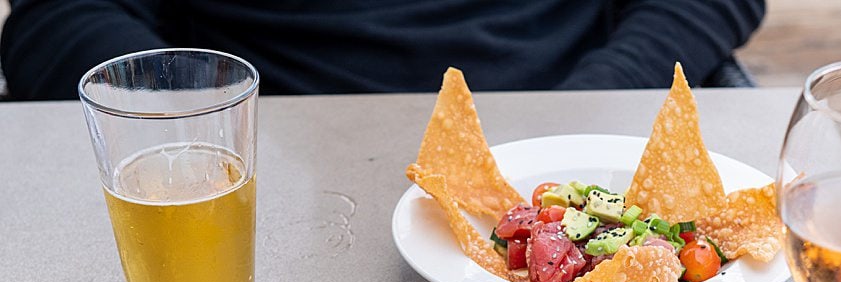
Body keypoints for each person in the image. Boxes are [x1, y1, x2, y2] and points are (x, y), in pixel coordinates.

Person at [0, 0, 764, 100]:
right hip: (248, 169)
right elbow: (61, 15)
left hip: (567, 118)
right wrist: (196, 123)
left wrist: (593, 103)